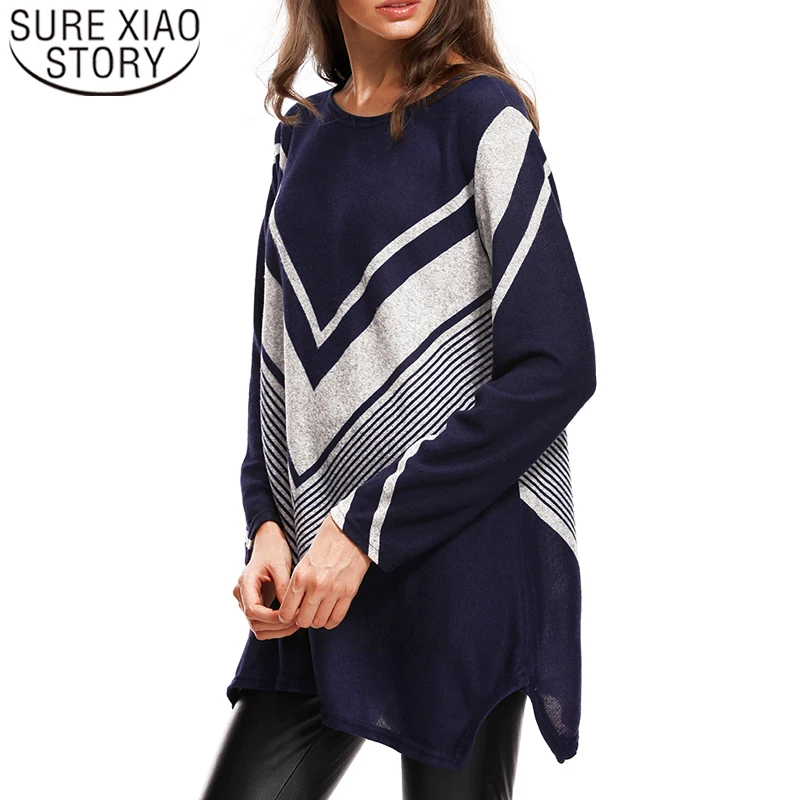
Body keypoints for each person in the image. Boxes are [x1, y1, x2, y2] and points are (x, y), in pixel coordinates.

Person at [200, 0, 597, 797]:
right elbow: (277, 364)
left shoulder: (483, 119)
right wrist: (266, 525)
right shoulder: (302, 137)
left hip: (461, 556)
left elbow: (558, 363)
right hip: (319, 565)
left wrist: (367, 528)